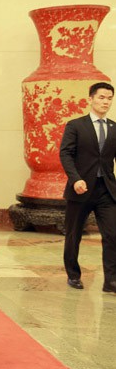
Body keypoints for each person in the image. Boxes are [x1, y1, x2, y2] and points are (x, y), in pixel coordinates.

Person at [59, 82, 116, 292]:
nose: (106, 102)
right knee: (74, 235)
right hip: (80, 189)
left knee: (112, 234)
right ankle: (73, 275)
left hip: (106, 190)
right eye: (101, 97)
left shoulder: (114, 127)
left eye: (109, 98)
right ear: (90, 99)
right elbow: (65, 154)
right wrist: (75, 179)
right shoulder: (76, 126)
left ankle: (111, 281)